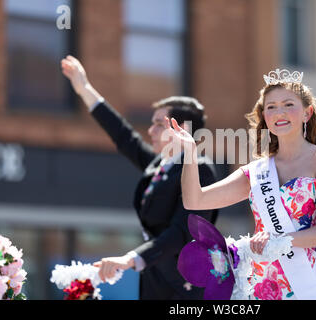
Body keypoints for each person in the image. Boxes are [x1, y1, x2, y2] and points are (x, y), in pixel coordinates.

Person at [166, 69, 316, 300]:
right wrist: (190, 152)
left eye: (288, 104)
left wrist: (280, 240)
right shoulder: (257, 172)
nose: (279, 112)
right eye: (271, 107)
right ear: (264, 116)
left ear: (307, 113)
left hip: (303, 282)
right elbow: (195, 200)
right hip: (262, 284)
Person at [60, 55, 218, 300]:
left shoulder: (201, 169)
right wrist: (84, 89)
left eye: (159, 124)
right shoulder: (160, 164)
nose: (151, 130)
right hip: (154, 278)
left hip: (185, 286)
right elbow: (124, 137)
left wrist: (131, 259)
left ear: (182, 130)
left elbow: (181, 233)